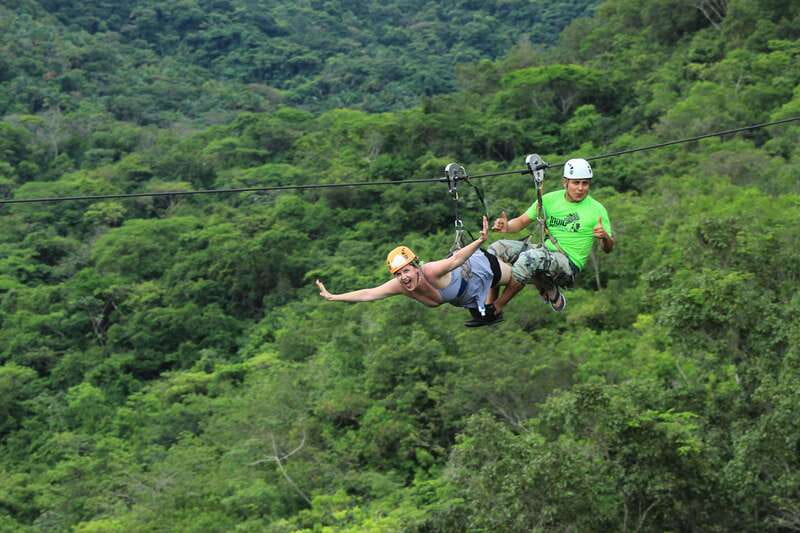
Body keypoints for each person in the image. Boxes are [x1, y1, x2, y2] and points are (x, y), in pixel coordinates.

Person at [316, 217, 513, 327]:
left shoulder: (430, 271)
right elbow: (369, 293)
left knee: (518, 277)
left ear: (416, 267)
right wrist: (334, 297)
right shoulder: (401, 286)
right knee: (486, 314)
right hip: (468, 293)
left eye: (406, 271)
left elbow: (457, 259)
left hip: (479, 269)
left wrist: (479, 241)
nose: (403, 277)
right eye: (398, 274)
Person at [488, 158, 614, 314]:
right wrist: (506, 226)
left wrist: (604, 237)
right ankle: (489, 304)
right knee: (495, 249)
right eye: (576, 183)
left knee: (529, 259)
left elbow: (608, 248)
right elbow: (520, 222)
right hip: (544, 251)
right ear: (565, 183)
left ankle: (497, 307)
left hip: (568, 264)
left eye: (585, 183)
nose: (581, 188)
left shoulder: (597, 209)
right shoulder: (549, 200)